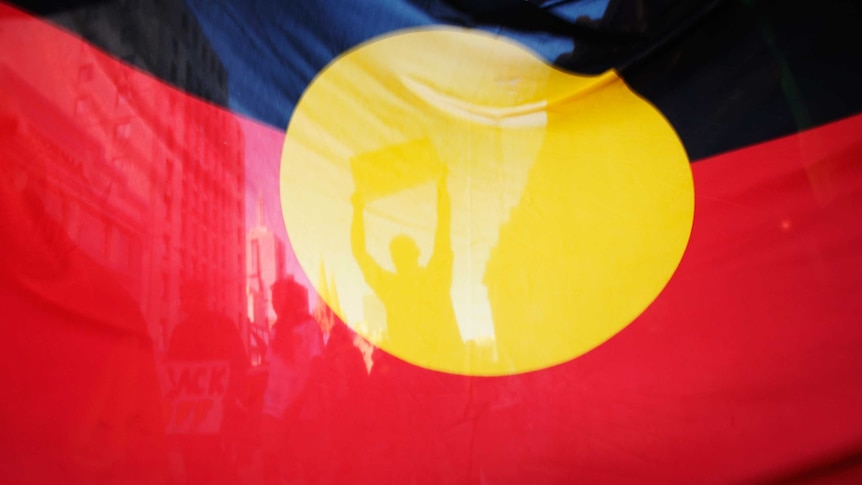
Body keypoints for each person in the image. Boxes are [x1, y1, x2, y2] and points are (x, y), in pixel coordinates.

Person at [350, 170, 464, 367]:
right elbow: (443, 229)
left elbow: (359, 252)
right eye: (399, 253)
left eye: (400, 253)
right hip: (445, 368)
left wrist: (358, 210)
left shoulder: (391, 287)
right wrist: (441, 187)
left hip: (421, 372)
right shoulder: (435, 275)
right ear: (417, 252)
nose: (399, 257)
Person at [260, 278, 322, 485]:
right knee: (274, 466)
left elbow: (316, 369)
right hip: (274, 412)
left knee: (306, 467)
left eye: (277, 298)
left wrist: (299, 402)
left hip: (302, 411)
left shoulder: (310, 326)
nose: (274, 304)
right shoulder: (276, 331)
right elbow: (269, 369)